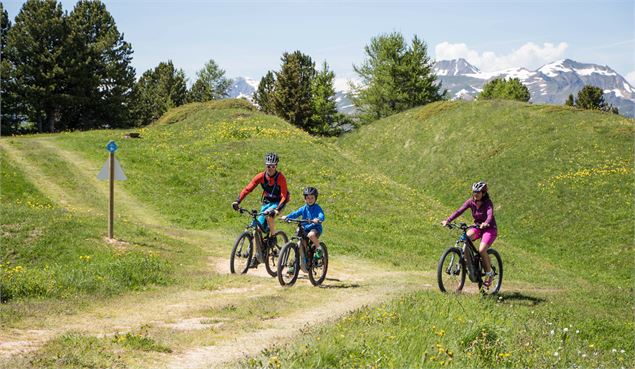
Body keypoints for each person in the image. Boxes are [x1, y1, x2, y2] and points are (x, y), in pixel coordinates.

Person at [232, 152, 289, 266]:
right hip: (267, 202)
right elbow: (248, 188)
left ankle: (273, 237)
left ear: (276, 165)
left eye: (273, 166)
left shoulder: (280, 177)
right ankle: (256, 257)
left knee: (269, 215)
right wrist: (237, 201)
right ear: (265, 165)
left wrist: (277, 209)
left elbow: (284, 196)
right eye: (268, 166)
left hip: (278, 202)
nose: (271, 168)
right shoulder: (261, 176)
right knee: (256, 228)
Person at [441, 181, 498, 287]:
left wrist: (486, 223)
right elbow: (459, 211)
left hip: (489, 229)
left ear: (483, 193)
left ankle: (489, 274)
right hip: (478, 227)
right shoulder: (471, 202)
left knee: (481, 250)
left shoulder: (488, 203)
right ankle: (470, 265)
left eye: (478, 192)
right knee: (466, 238)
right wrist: (448, 220)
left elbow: (490, 215)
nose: (475, 194)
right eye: (474, 192)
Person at [280, 187, 325, 258]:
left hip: (315, 228)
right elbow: (295, 214)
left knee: (311, 235)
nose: (310, 200)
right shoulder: (303, 208)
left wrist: (318, 219)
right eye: (308, 198)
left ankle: (319, 249)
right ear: (305, 199)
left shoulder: (317, 208)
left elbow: (321, 215)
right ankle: (296, 263)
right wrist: (287, 217)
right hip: (305, 228)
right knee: (299, 241)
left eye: (312, 198)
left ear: (315, 198)